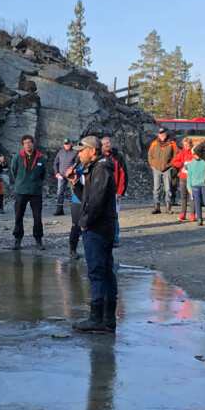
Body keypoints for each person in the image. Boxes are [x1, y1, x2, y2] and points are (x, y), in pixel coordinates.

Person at [67, 136, 118, 333]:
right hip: (102, 227)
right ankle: (107, 319)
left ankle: (97, 319)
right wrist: (75, 183)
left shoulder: (101, 170)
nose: (78, 153)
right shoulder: (96, 170)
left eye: (82, 150)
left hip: (98, 228)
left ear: (92, 152)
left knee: (98, 271)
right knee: (105, 271)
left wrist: (83, 224)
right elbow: (86, 198)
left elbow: (95, 203)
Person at [10, 134, 47, 250]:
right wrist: (20, 182)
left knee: (37, 216)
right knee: (18, 215)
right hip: (20, 191)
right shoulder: (17, 157)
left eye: (29, 142)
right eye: (25, 143)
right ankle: (17, 239)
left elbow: (43, 174)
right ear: (22, 145)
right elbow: (13, 171)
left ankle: (38, 239)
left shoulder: (41, 158)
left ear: (33, 143)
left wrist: (37, 183)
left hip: (36, 192)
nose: (28, 145)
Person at [101, 137, 128, 246]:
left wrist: (121, 191)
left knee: (114, 216)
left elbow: (124, 175)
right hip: (103, 192)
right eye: (104, 144)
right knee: (103, 216)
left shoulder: (118, 158)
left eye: (107, 143)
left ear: (111, 144)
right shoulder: (100, 158)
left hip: (115, 192)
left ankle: (115, 238)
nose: (106, 145)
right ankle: (105, 237)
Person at [147, 127, 178, 214]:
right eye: (161, 133)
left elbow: (176, 155)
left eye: (164, 133)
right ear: (158, 134)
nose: (162, 134)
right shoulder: (154, 143)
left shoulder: (172, 144)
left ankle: (168, 207)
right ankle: (156, 207)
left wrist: (171, 165)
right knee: (156, 188)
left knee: (168, 188)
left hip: (167, 168)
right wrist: (152, 165)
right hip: (156, 168)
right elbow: (149, 154)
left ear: (166, 133)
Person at [53, 138, 79, 216]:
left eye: (68, 143)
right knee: (59, 192)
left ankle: (75, 209)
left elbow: (77, 162)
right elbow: (55, 163)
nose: (67, 145)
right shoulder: (60, 152)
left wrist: (73, 171)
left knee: (74, 192)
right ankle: (59, 210)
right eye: (65, 144)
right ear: (63, 144)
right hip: (61, 175)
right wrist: (56, 173)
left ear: (70, 143)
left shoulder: (75, 152)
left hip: (71, 176)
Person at [172, 137, 195, 220]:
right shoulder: (181, 152)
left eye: (187, 144)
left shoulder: (194, 152)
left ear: (190, 144)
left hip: (192, 177)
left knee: (192, 196)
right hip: (183, 176)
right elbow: (175, 162)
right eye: (184, 144)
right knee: (183, 195)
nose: (185, 146)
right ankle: (183, 213)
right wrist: (182, 164)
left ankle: (192, 214)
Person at [184, 151, 205, 226]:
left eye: (198, 153)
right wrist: (188, 186)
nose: (196, 155)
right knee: (197, 202)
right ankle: (199, 218)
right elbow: (189, 176)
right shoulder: (191, 164)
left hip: (204, 185)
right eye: (195, 154)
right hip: (195, 185)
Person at [68, 162, 86, 259]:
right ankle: (73, 249)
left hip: (91, 203)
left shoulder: (97, 168)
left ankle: (90, 250)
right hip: (77, 202)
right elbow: (70, 175)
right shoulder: (79, 168)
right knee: (75, 226)